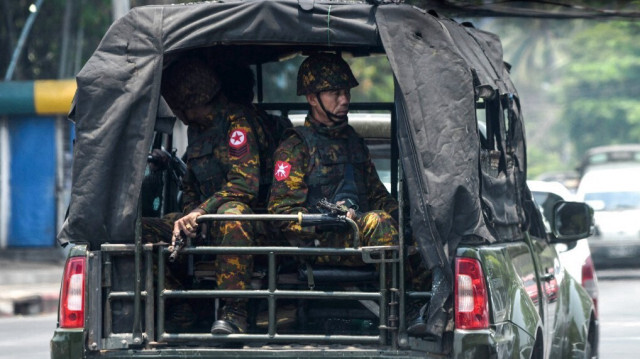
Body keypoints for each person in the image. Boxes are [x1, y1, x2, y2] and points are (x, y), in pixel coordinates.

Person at [142, 55, 266, 335]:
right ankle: (178, 302)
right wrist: (189, 217)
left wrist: (201, 212)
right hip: (206, 222)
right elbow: (190, 187)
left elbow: (244, 184)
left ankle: (234, 313)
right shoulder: (196, 132)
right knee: (138, 230)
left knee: (234, 215)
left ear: (188, 103)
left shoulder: (237, 122)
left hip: (248, 226)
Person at [267, 52, 399, 265]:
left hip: (358, 236)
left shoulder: (353, 141)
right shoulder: (296, 147)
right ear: (312, 99)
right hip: (320, 244)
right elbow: (282, 213)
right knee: (379, 222)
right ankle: (394, 297)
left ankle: (420, 299)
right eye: (335, 93)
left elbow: (377, 195)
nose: (345, 100)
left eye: (346, 92)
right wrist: (326, 221)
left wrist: (406, 221)